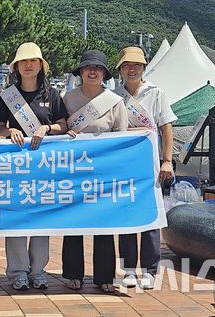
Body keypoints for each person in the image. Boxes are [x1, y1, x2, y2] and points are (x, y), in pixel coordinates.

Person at [0, 42, 68, 290]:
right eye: (23, 61)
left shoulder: (53, 95)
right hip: (15, 167)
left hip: (44, 168)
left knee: (40, 219)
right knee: (17, 218)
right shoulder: (8, 96)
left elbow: (63, 125)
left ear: (40, 66)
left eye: (33, 61)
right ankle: (17, 272)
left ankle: (38, 271)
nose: (28, 65)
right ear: (16, 67)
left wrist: (46, 128)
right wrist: (11, 130)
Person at [61, 49, 128, 294]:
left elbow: (122, 138)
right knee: (73, 222)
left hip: (103, 171)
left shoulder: (114, 101)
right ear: (80, 72)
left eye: (98, 68)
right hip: (74, 171)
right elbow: (59, 128)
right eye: (88, 68)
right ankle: (73, 274)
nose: (92, 72)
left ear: (104, 73)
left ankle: (104, 276)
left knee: (104, 223)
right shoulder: (68, 98)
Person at [114, 46, 177, 290]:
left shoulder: (156, 92)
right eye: (127, 65)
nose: (132, 69)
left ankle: (150, 270)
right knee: (128, 214)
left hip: (151, 165)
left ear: (144, 68)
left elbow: (166, 128)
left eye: (137, 65)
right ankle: (129, 269)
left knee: (151, 217)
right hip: (124, 164)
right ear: (120, 69)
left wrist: (167, 160)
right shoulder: (114, 96)